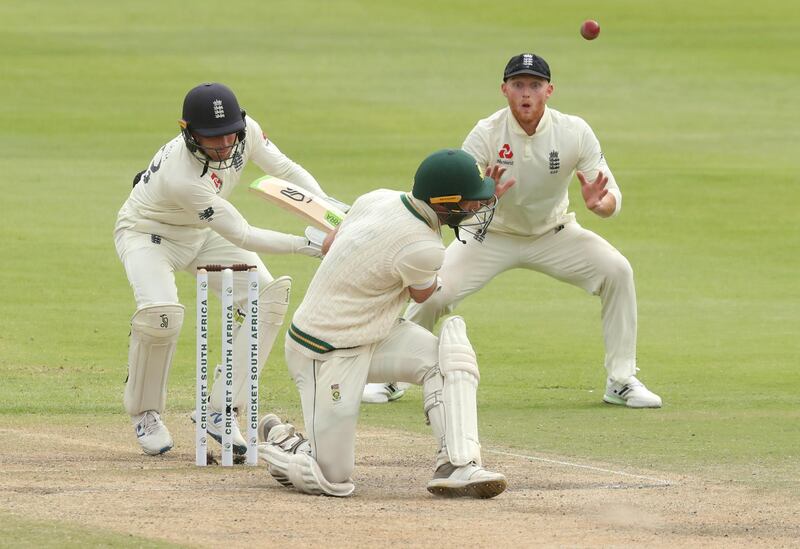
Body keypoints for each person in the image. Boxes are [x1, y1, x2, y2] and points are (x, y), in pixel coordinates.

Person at [383, 53, 662, 408]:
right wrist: (483, 199)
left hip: (554, 233)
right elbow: (455, 202)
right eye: (518, 85)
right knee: (433, 293)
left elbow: (609, 196)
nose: (526, 93)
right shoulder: (486, 133)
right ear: (504, 89)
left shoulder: (574, 131)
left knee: (617, 271)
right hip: (492, 234)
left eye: (534, 85)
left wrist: (598, 204)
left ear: (549, 90)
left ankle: (621, 380)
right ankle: (392, 377)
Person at [258, 149, 514, 498]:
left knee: (448, 358)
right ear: (444, 202)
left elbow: (331, 242)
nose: (477, 208)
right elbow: (425, 295)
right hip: (324, 351)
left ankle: (458, 464)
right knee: (333, 479)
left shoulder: (378, 197)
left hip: (373, 330)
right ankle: (283, 443)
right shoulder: (423, 248)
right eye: (471, 201)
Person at [114, 82, 330, 456]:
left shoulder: (247, 134)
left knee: (267, 297)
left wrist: (329, 214)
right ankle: (145, 412)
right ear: (188, 133)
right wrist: (311, 245)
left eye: (229, 134)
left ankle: (220, 409)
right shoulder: (182, 176)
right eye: (212, 138)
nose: (224, 145)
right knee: (161, 316)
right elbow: (243, 234)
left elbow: (286, 170)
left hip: (201, 232)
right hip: (148, 235)